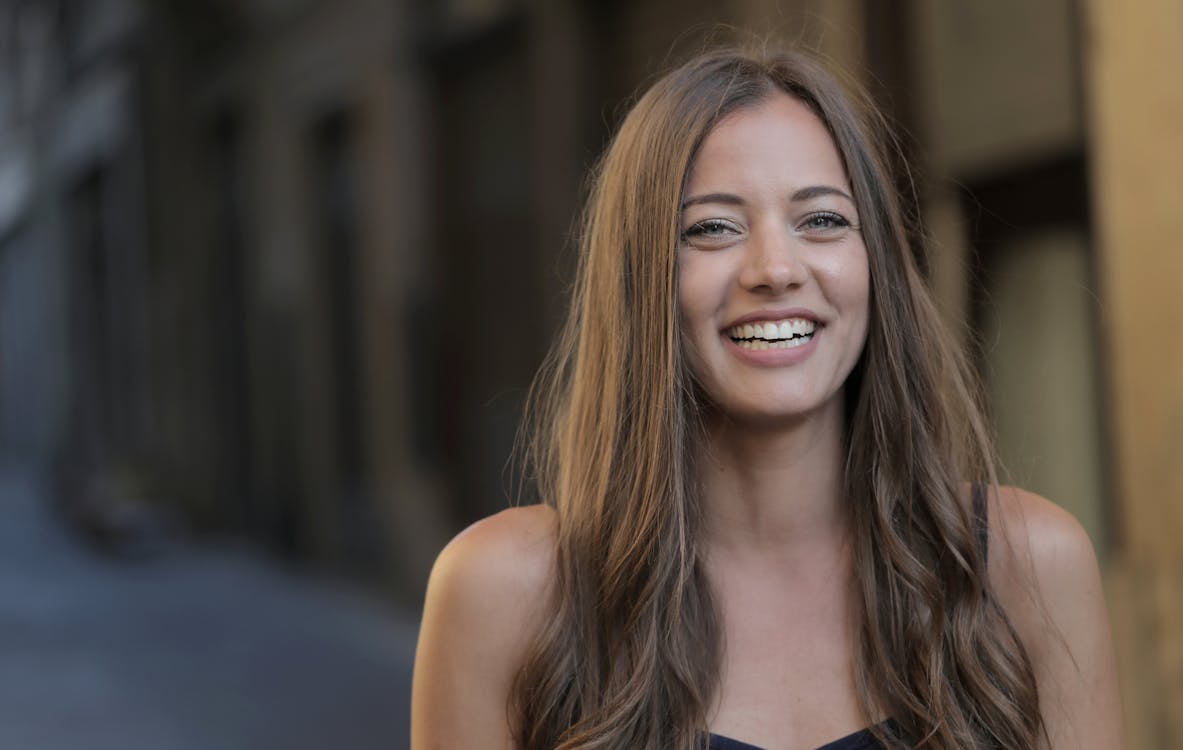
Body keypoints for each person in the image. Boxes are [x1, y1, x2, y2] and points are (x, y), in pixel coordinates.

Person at [410, 47, 1125, 750]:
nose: (775, 269)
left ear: (874, 263)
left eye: (821, 220)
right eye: (712, 228)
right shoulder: (505, 593)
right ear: (641, 280)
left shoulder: (1027, 567)